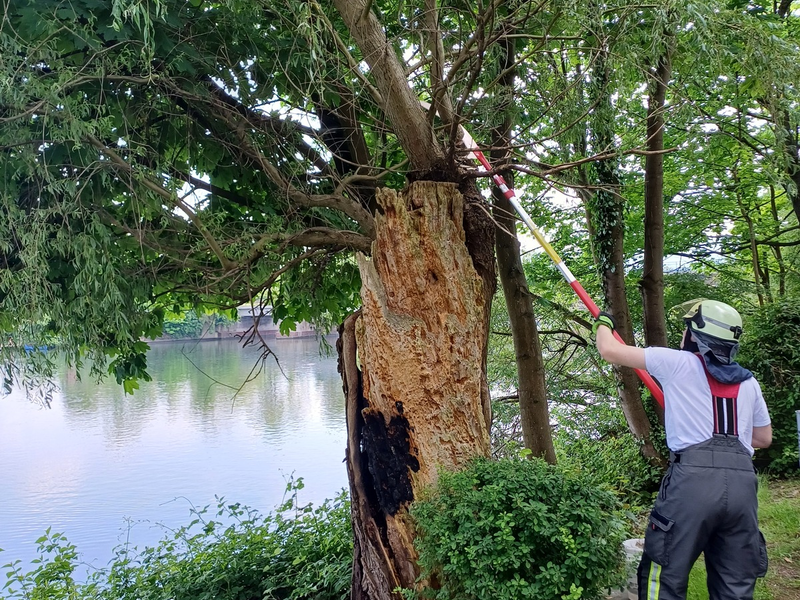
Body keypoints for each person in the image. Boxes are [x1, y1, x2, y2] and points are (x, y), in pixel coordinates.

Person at [593, 299, 772, 600]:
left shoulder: (676, 362)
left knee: (664, 574)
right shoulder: (749, 382)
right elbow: (763, 438)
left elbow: (609, 350)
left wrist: (603, 323)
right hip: (743, 486)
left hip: (693, 484)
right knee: (736, 584)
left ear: (695, 335)